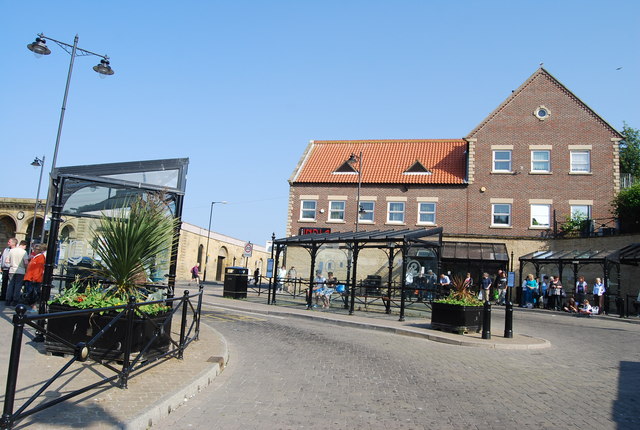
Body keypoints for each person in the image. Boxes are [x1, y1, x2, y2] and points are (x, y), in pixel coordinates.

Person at [22, 243, 46, 313]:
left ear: (40, 250)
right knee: (30, 293)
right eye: (34, 249)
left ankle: (34, 306)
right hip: (29, 277)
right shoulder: (35, 257)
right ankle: (32, 306)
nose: (34, 250)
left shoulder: (40, 257)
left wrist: (35, 278)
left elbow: (38, 269)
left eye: (36, 249)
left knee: (33, 293)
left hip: (34, 278)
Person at [5, 240, 28, 307]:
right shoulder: (24, 252)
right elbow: (26, 262)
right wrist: (25, 268)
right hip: (21, 271)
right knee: (18, 286)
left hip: (12, 270)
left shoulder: (12, 251)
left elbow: (7, 260)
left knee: (10, 285)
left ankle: (8, 300)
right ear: (24, 245)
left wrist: (11, 264)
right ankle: (15, 301)